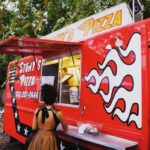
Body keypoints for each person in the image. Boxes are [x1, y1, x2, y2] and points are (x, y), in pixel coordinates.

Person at [28, 84, 68, 150]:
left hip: (38, 139)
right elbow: (65, 129)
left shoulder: (37, 110)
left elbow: (34, 127)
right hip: (51, 140)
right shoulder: (58, 113)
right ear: (54, 98)